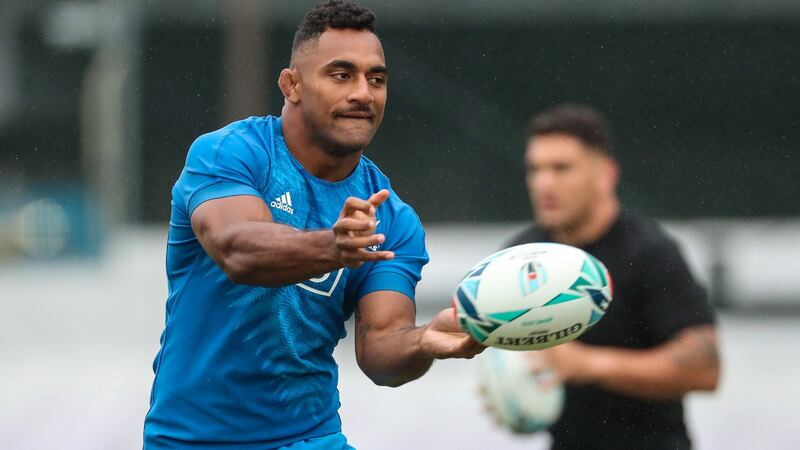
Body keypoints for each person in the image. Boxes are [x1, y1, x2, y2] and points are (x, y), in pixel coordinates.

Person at [142, 2, 483, 449]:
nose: (363, 93)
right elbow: (237, 250)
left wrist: (423, 342)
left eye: (376, 79)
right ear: (292, 85)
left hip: (310, 437)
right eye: (341, 75)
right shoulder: (230, 153)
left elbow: (381, 349)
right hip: (193, 440)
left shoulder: (392, 218)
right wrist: (332, 246)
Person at [503, 104, 720, 449]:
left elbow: (706, 370)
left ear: (605, 173)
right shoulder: (522, 255)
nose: (545, 183)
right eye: (535, 169)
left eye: (561, 168)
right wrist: (510, 393)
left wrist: (589, 364)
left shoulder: (651, 252)